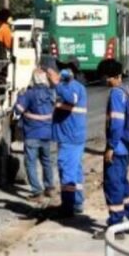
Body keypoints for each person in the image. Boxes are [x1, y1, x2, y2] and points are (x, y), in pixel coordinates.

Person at [93, 59, 129, 240]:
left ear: (110, 77)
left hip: (119, 147)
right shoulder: (128, 90)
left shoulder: (115, 93)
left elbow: (116, 123)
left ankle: (116, 226)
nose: (104, 81)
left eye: (105, 77)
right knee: (122, 183)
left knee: (113, 184)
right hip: (128, 146)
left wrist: (111, 147)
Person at [47, 57, 88, 217]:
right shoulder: (70, 86)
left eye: (63, 68)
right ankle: (76, 203)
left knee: (67, 171)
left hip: (70, 137)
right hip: (71, 136)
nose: (60, 71)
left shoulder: (73, 87)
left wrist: (56, 83)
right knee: (75, 171)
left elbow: (71, 100)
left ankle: (68, 207)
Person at [14, 69, 56, 199]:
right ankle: (49, 188)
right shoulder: (51, 93)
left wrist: (20, 96)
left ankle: (37, 191)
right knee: (46, 161)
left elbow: (18, 110)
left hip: (32, 133)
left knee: (30, 163)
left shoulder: (29, 94)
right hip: (47, 133)